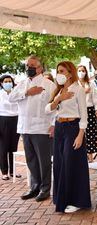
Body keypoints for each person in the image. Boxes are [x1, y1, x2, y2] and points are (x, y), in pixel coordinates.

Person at [45, 61, 91, 213]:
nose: (59, 74)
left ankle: (76, 200)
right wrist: (59, 99)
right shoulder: (59, 91)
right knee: (59, 163)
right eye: (58, 71)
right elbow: (47, 109)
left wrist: (80, 135)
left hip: (73, 128)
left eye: (62, 71)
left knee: (71, 163)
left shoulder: (78, 89)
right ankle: (61, 199)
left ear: (70, 73)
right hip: (59, 128)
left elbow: (84, 115)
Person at [9, 55, 55, 202]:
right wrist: (27, 93)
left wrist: (53, 124)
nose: (28, 68)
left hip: (41, 128)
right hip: (25, 127)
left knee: (44, 160)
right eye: (27, 66)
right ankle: (34, 187)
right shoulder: (22, 83)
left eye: (32, 66)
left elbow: (55, 107)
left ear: (40, 68)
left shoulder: (49, 84)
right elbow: (11, 98)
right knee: (31, 160)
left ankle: (45, 189)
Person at [78, 65, 97, 162]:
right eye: (79, 70)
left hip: (90, 110)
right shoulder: (74, 84)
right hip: (77, 111)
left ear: (86, 72)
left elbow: (95, 97)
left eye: (83, 70)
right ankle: (81, 156)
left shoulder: (91, 84)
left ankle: (90, 157)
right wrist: (84, 92)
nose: (81, 72)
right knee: (79, 133)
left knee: (91, 132)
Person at [0, 75, 20, 180]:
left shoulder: (15, 94)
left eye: (9, 81)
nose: (8, 83)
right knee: (3, 147)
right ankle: (4, 172)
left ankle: (13, 171)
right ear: (1, 83)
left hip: (15, 120)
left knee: (13, 148)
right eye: (5, 81)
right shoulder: (0, 94)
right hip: (3, 121)